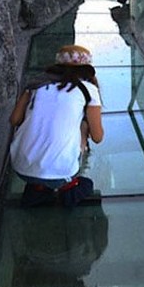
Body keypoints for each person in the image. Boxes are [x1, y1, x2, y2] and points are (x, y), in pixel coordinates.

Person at [9, 44, 104, 207]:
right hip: (62, 173)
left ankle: (39, 188)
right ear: (87, 69)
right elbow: (97, 137)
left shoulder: (34, 86)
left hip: (20, 166)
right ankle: (68, 187)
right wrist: (84, 126)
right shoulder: (89, 90)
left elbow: (15, 120)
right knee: (83, 125)